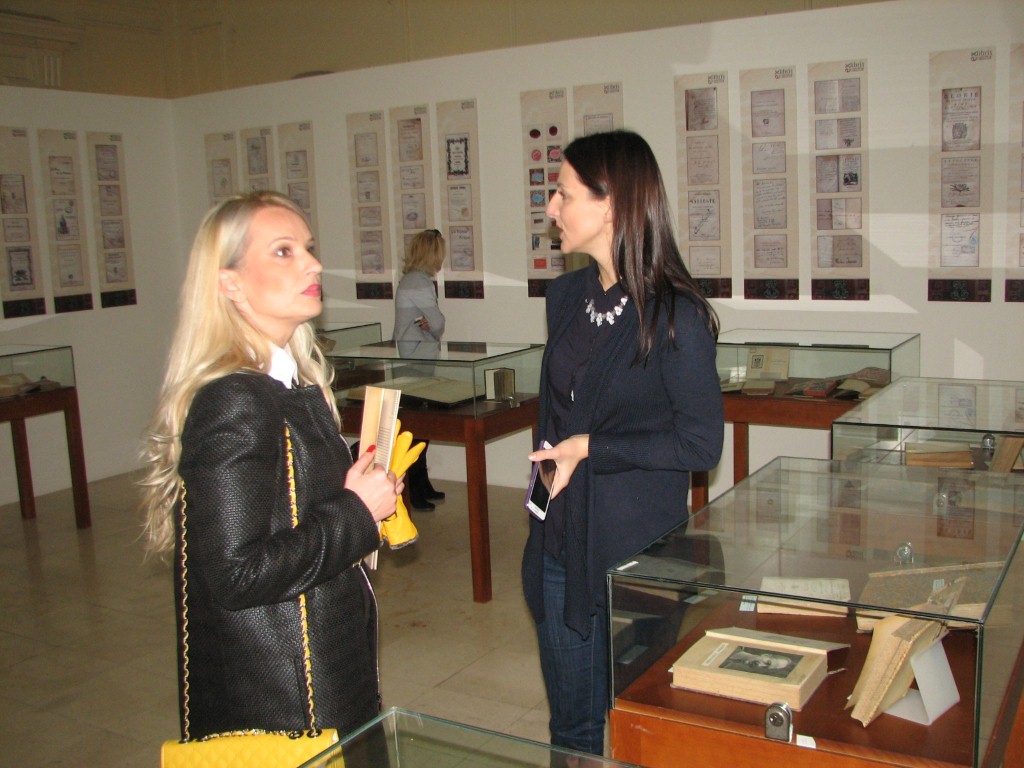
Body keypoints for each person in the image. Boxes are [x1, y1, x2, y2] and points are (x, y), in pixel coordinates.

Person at [140, 191, 401, 741]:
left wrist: (353, 492)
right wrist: (356, 512)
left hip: (321, 661)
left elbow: (287, 512)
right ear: (230, 282)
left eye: (308, 248)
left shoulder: (287, 384)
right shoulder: (234, 398)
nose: (313, 264)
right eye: (284, 251)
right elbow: (237, 573)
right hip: (289, 694)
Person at [521, 130, 724, 756]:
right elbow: (558, 413)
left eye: (564, 194)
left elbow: (700, 445)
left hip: (637, 558)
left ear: (610, 204)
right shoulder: (565, 298)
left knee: (641, 728)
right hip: (559, 540)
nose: (552, 208)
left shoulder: (676, 316)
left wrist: (593, 447)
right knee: (573, 730)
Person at [393, 228, 447, 510]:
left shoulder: (412, 280)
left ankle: (421, 483)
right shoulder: (419, 283)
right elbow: (437, 322)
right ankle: (415, 488)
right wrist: (434, 326)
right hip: (417, 359)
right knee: (416, 427)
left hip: (414, 357)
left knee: (419, 426)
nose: (441, 259)